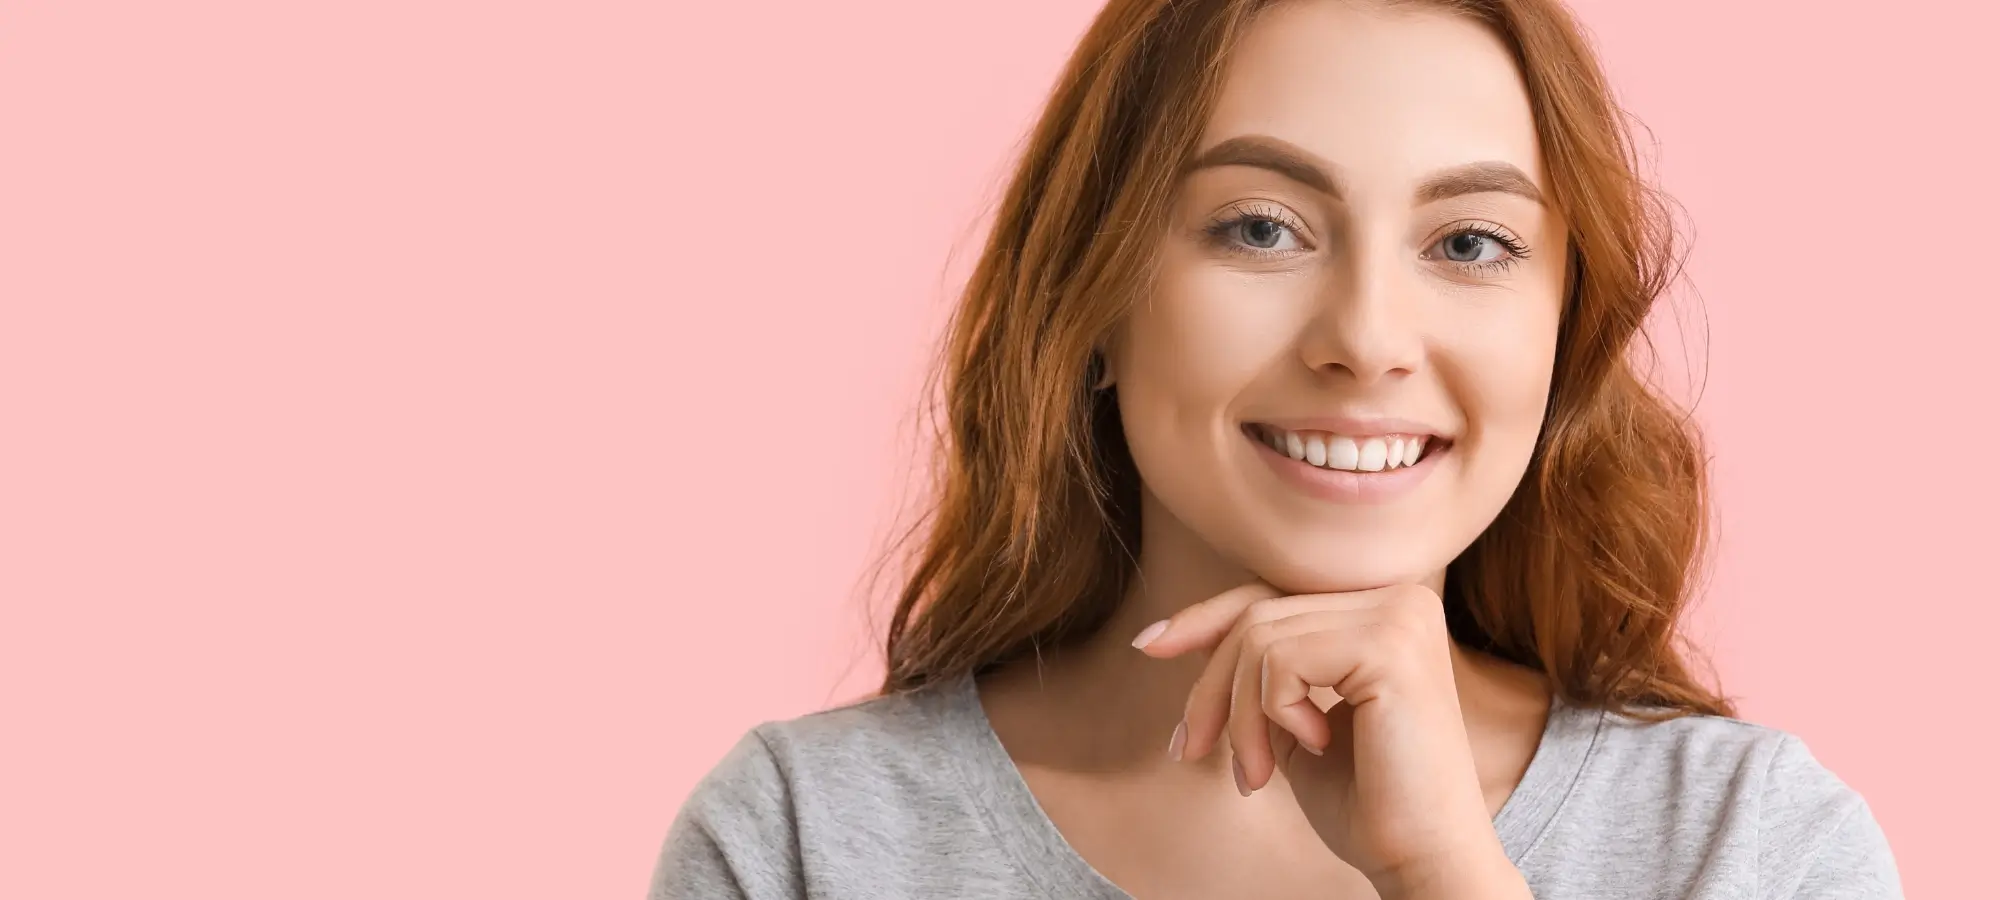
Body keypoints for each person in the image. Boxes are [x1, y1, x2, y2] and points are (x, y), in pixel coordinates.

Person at [650, 0, 1903, 896]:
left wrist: (1441, 876)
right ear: (1092, 301)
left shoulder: (1751, 848)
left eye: (1468, 243)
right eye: (1258, 228)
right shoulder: (804, 841)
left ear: (1561, 337)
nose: (1365, 339)